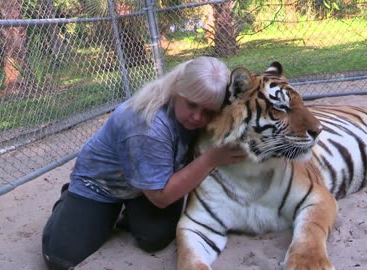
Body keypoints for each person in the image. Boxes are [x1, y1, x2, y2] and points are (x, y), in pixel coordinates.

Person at [41, 56, 246, 270]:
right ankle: (71, 200)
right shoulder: (149, 125)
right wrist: (211, 159)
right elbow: (161, 198)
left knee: (155, 238)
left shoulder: (187, 111)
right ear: (178, 91)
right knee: (60, 257)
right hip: (101, 185)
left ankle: (126, 210)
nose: (197, 117)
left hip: (143, 186)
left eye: (208, 112)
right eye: (192, 105)